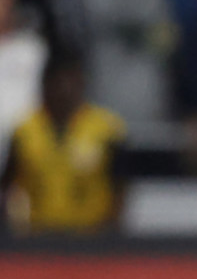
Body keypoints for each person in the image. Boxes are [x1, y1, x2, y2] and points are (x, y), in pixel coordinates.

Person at [3, 52, 126, 234]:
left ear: (81, 82)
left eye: (70, 79)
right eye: (56, 81)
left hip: (91, 237)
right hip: (37, 236)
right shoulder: (25, 130)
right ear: (45, 84)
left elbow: (121, 187)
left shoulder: (107, 129)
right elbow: (7, 186)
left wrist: (111, 234)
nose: (63, 88)